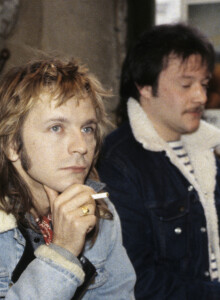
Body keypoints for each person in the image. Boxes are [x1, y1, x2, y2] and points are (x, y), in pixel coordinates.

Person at [0, 58, 136, 299]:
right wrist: (61, 254)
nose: (81, 147)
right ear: (12, 144)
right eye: (56, 128)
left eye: (87, 129)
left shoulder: (95, 209)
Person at [97, 23, 220, 299]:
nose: (201, 96)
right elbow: (136, 279)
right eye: (186, 84)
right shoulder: (118, 164)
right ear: (144, 85)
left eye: (204, 84)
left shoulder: (204, 149)